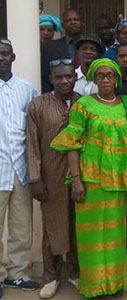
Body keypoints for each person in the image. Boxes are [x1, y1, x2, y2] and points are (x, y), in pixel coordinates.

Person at [50, 58, 127, 298]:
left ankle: (115, 284)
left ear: (117, 79)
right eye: (100, 75)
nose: (105, 80)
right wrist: (76, 180)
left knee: (115, 234)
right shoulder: (84, 105)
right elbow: (72, 143)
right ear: (93, 79)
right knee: (91, 235)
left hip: (118, 180)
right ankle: (95, 287)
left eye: (110, 75)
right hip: (91, 180)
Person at [26, 60, 80, 299]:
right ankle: (51, 275)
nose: (65, 81)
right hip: (50, 175)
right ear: (51, 79)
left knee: (78, 224)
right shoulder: (37, 105)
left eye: (68, 76)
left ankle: (75, 272)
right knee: (52, 225)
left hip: (81, 175)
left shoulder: (84, 103)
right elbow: (32, 144)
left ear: (75, 77)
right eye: (59, 77)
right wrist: (35, 178)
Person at [0, 39, 39, 299]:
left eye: (5, 54)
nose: (1, 58)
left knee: (21, 225)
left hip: (21, 169)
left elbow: (34, 131)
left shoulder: (27, 89)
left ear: (13, 57)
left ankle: (18, 272)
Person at [41, 9, 84, 92]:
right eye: (69, 20)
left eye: (76, 19)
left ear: (83, 23)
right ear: (63, 25)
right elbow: (45, 78)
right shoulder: (50, 47)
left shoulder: (92, 46)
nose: (73, 22)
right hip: (59, 98)